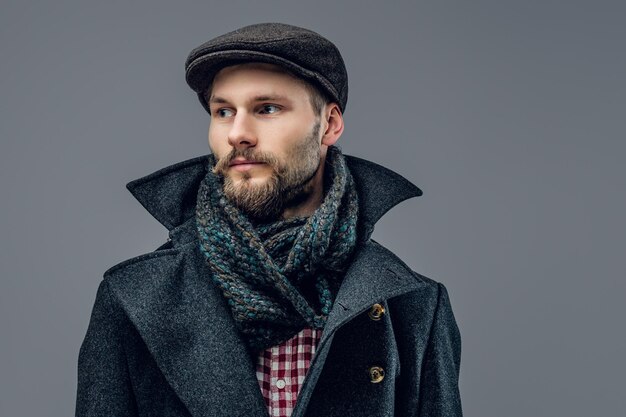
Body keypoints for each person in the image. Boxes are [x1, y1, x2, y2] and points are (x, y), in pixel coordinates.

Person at [75, 22, 463, 417]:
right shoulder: (134, 299)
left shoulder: (413, 307)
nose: (238, 134)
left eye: (267, 109)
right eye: (223, 111)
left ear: (329, 125)